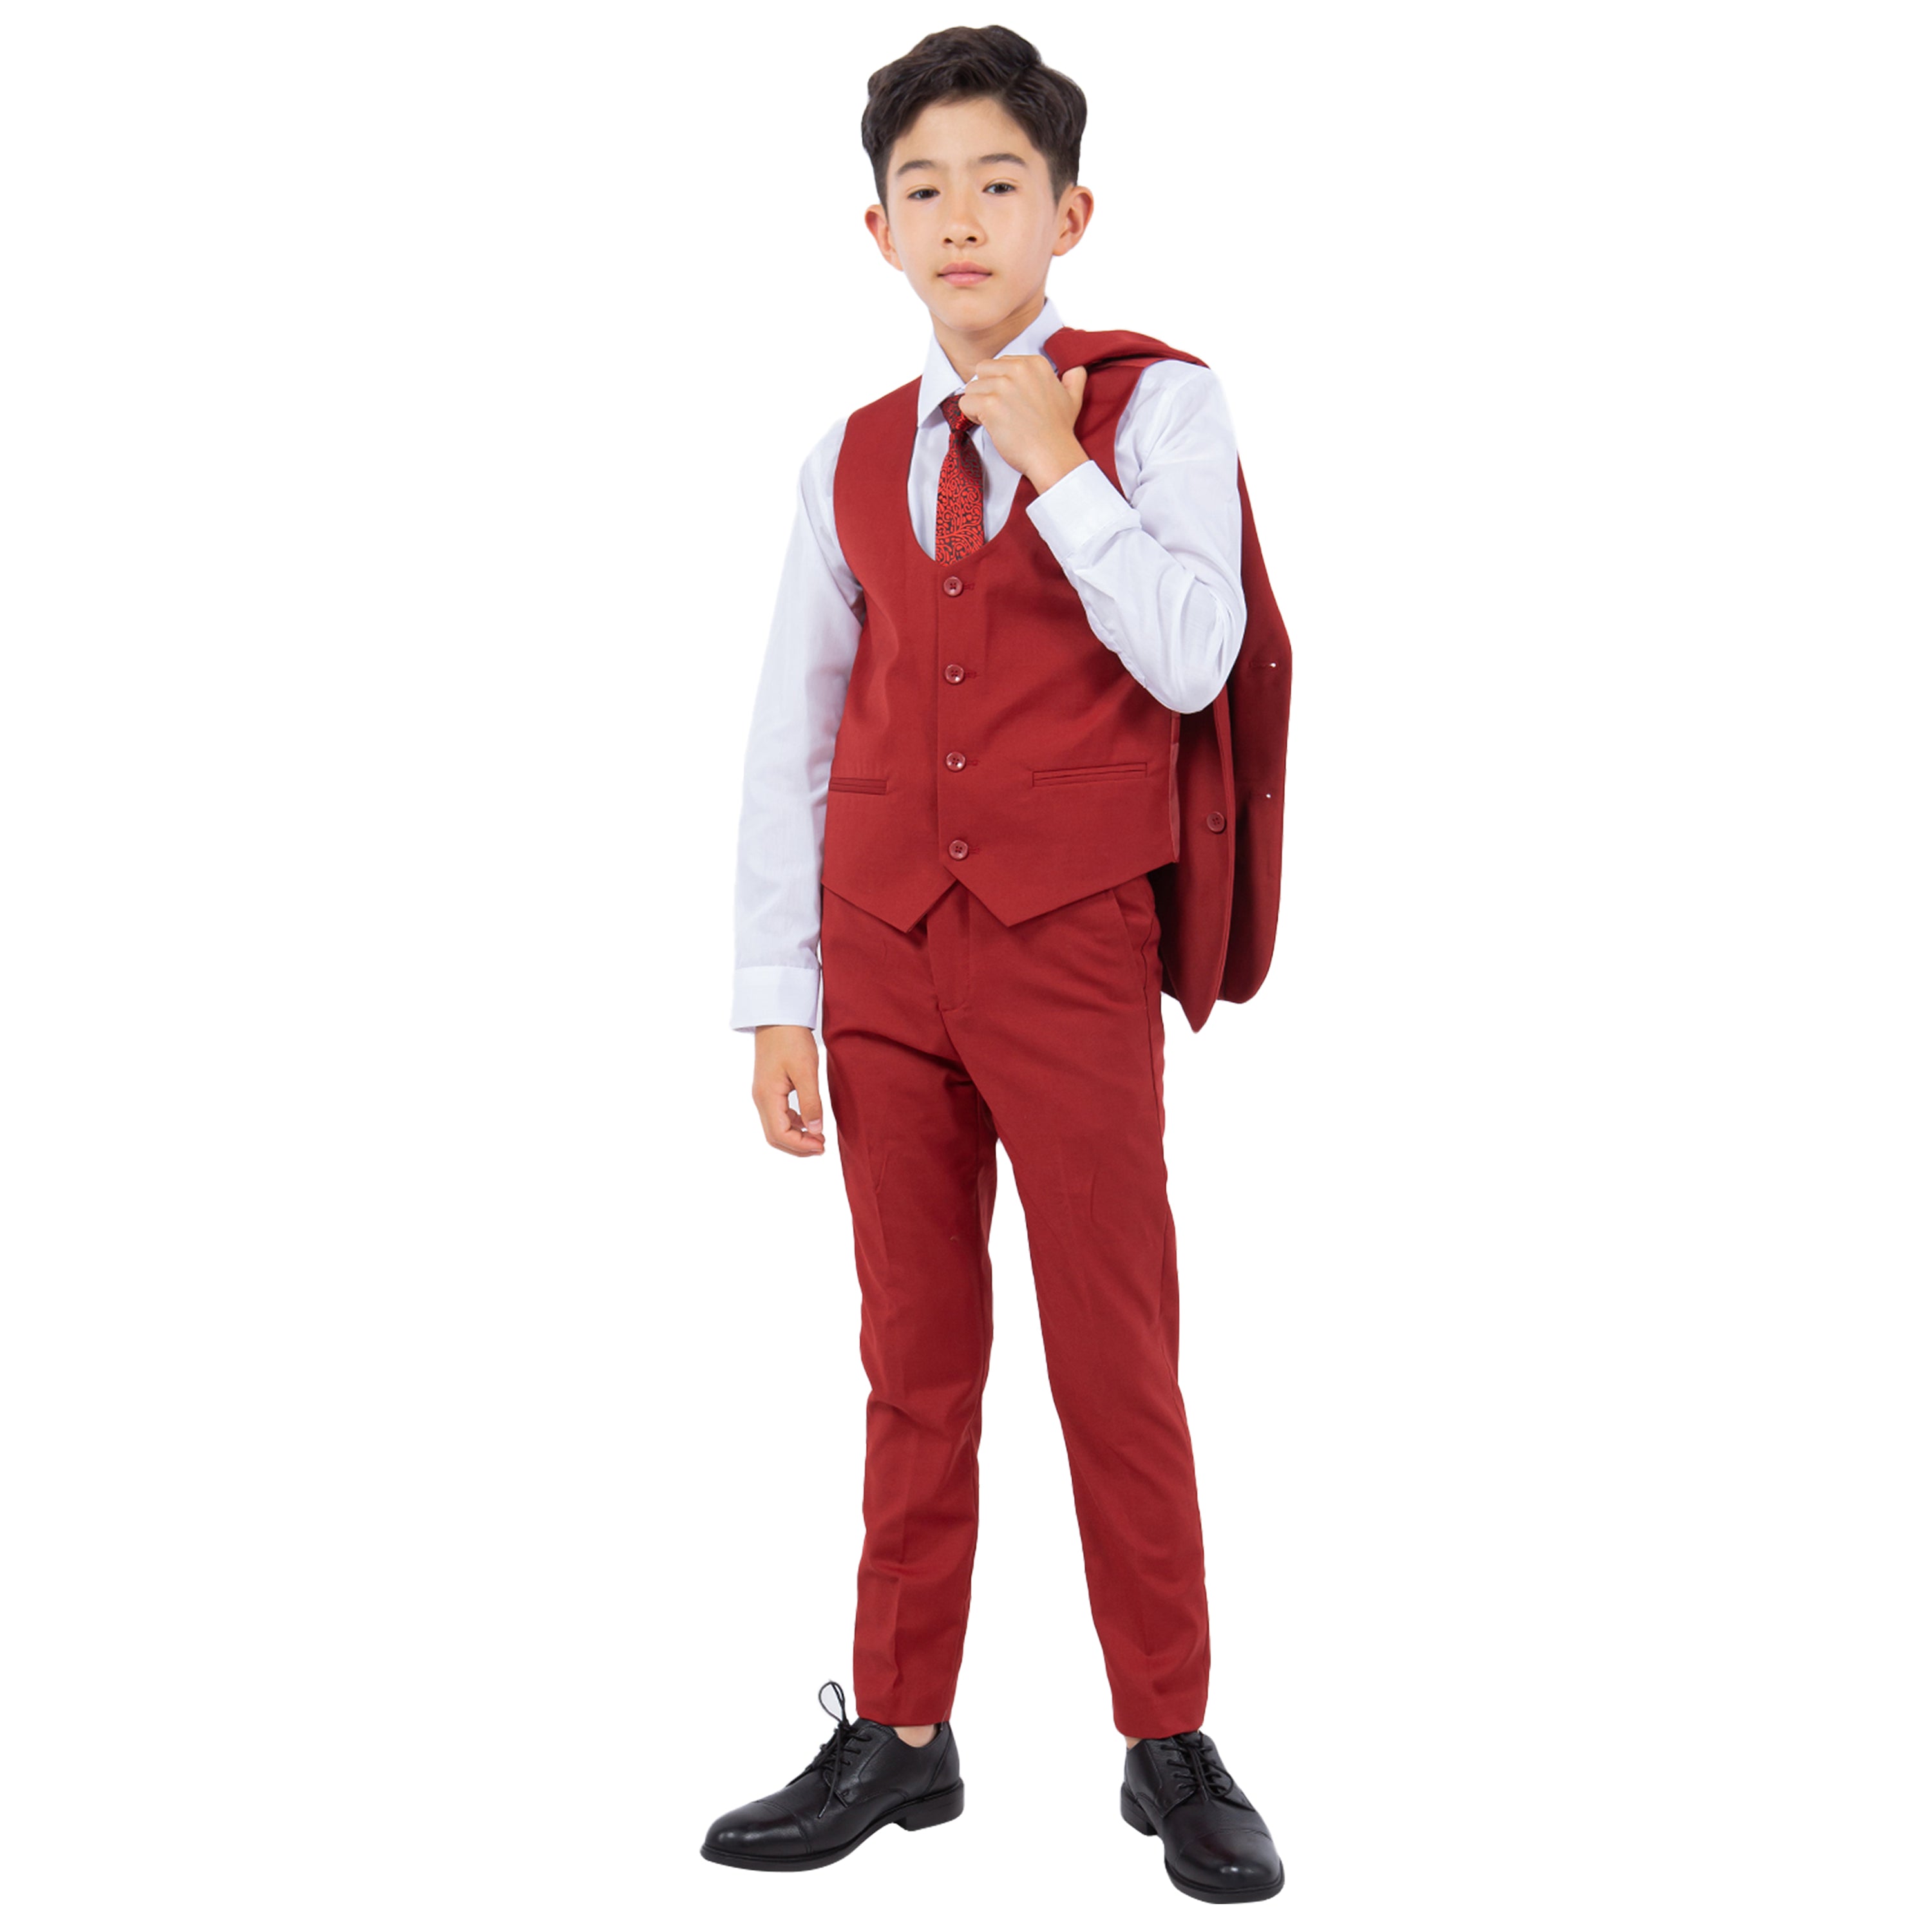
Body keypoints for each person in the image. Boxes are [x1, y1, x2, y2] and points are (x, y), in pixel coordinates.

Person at [703, 25, 1291, 1906]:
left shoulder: (1159, 408)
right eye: (924, 188)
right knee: (913, 1354)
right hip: (882, 957)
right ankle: (899, 1729)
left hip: (1067, 945)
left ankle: (1169, 1738)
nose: (961, 217)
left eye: (1000, 184)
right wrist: (778, 991)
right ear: (876, 230)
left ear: (1071, 214)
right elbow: (796, 728)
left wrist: (1057, 468)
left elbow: (1196, 654)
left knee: (1115, 1350)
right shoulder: (847, 456)